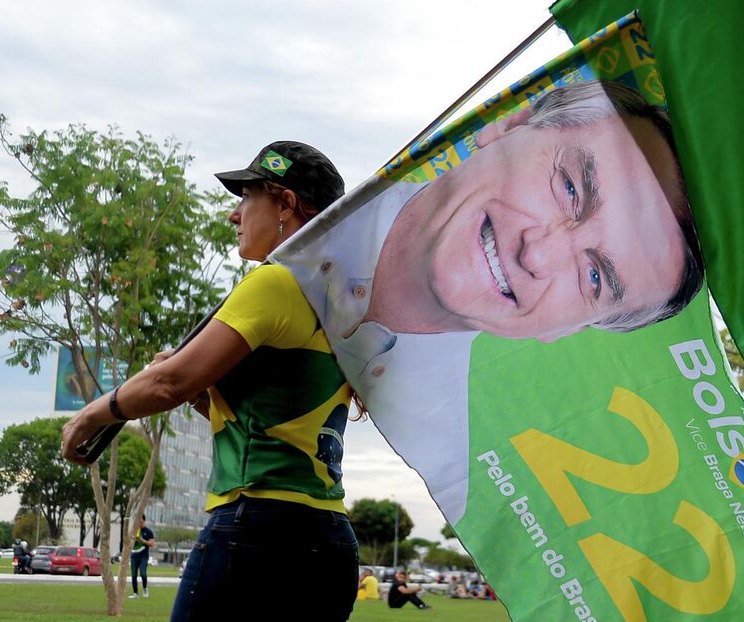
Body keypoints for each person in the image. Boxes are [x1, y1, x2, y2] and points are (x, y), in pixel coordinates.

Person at [62, 140, 368, 622]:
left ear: (284, 204)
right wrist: (198, 392)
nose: (234, 215)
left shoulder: (274, 285)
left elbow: (170, 382)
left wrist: (95, 412)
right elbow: (259, 415)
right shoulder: (345, 304)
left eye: (246, 197)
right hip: (325, 543)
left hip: (253, 535)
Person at [278, 81, 705, 524]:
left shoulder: (451, 460)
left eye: (594, 276)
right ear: (509, 127)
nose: (537, 253)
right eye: (571, 187)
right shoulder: (302, 239)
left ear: (564, 330)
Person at [130, 519, 155, 598]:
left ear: (144, 521)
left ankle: (145, 589)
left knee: (143, 573)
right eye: (137, 521)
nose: (139, 523)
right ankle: (135, 593)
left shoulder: (148, 532)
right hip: (134, 556)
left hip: (143, 556)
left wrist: (142, 540)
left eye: (140, 521)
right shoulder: (134, 531)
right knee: (134, 575)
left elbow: (152, 543)